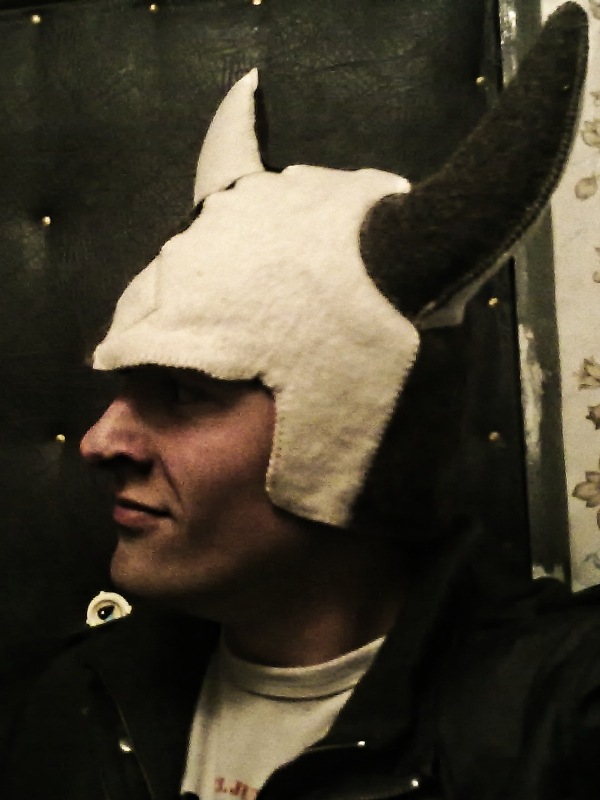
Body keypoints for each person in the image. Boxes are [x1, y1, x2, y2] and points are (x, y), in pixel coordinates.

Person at [3, 4, 599, 799]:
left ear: (350, 441)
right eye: (122, 389)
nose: (100, 440)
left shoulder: (550, 719)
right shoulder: (77, 705)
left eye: (182, 391)